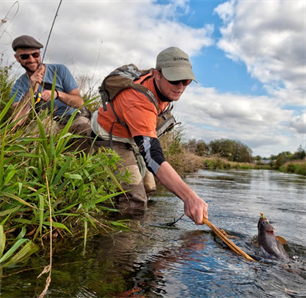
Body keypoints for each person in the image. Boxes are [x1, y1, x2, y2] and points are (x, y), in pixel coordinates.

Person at [91, 47, 208, 225]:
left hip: (133, 136)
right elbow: (152, 155)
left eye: (186, 81)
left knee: (150, 188)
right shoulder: (138, 100)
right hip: (110, 135)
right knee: (135, 202)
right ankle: (122, 244)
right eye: (175, 79)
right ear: (157, 74)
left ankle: (143, 229)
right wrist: (189, 197)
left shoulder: (162, 87)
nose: (180, 87)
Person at [10, 35, 92, 153]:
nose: (31, 59)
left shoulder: (60, 70)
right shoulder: (19, 84)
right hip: (48, 120)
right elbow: (16, 121)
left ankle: (82, 163)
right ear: (17, 58)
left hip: (73, 118)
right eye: (24, 56)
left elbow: (79, 102)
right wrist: (31, 89)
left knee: (86, 126)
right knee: (29, 136)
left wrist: (58, 94)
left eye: (35, 54)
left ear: (40, 53)